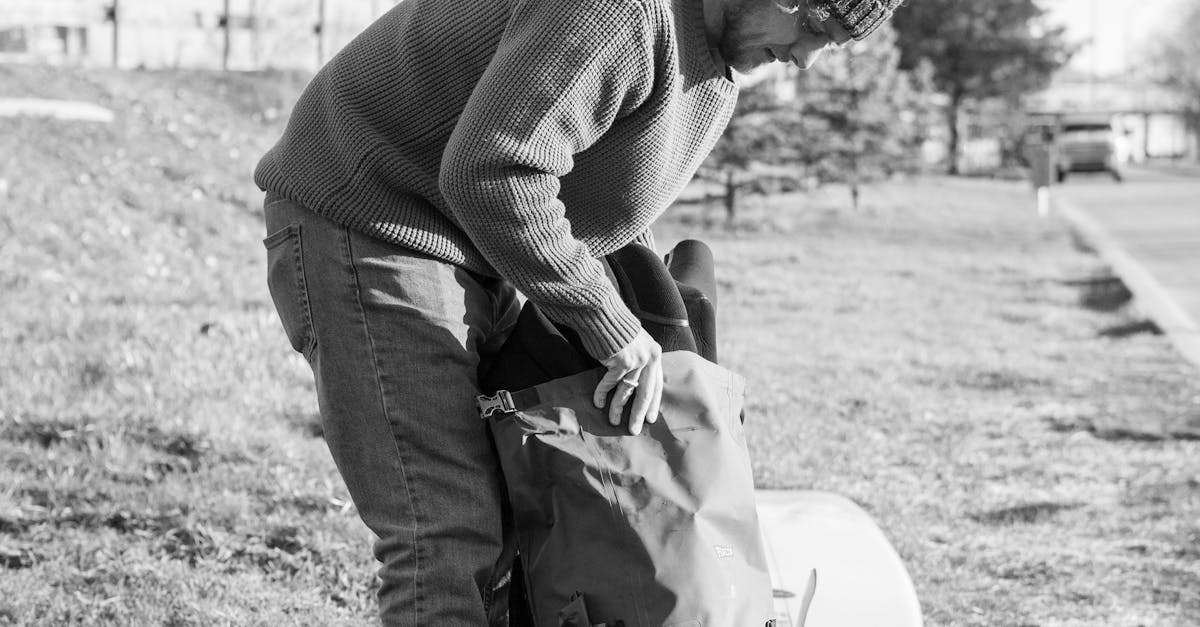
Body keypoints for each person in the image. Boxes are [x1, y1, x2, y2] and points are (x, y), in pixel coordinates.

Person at [256, 0, 900, 623]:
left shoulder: (714, 70)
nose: (809, 60)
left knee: (529, 497)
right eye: (814, 26)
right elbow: (493, 171)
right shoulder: (618, 12)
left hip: (479, 245)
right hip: (372, 218)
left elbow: (600, 210)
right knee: (444, 530)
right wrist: (606, 324)